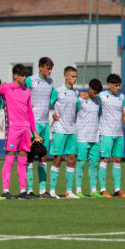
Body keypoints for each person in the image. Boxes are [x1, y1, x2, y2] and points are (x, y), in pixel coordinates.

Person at [0, 64, 40, 200]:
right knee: (10, 159)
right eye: (22, 75)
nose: (24, 78)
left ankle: (23, 190)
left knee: (23, 160)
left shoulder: (27, 91)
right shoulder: (6, 88)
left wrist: (34, 132)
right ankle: (5, 190)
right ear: (15, 75)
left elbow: (30, 112)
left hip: (25, 129)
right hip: (13, 128)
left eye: (26, 76)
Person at [24, 57, 55, 199]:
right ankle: (29, 190)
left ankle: (42, 191)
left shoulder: (50, 82)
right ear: (41, 67)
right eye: (48, 68)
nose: (50, 71)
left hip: (44, 123)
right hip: (32, 123)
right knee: (30, 156)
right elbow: (21, 93)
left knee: (43, 155)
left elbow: (55, 96)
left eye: (51, 68)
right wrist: (26, 106)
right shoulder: (31, 80)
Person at [98, 74, 125, 198]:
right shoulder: (102, 96)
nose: (118, 88)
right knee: (105, 159)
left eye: (119, 85)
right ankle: (102, 189)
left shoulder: (122, 97)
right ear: (109, 85)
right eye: (116, 85)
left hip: (119, 134)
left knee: (117, 160)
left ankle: (117, 190)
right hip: (106, 133)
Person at [49, 66, 80, 199]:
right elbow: (47, 106)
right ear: (66, 77)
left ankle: (68, 191)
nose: (74, 79)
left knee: (72, 159)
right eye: (72, 76)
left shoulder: (76, 93)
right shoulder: (57, 91)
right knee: (57, 159)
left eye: (76, 77)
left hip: (72, 130)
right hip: (60, 129)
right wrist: (53, 116)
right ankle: (51, 191)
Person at [74, 79, 106, 198]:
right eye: (95, 92)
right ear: (89, 89)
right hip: (82, 137)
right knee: (81, 164)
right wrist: (78, 93)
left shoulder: (99, 101)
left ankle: (93, 190)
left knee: (93, 164)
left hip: (95, 137)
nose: (97, 94)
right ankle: (78, 190)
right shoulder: (80, 100)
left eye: (98, 92)